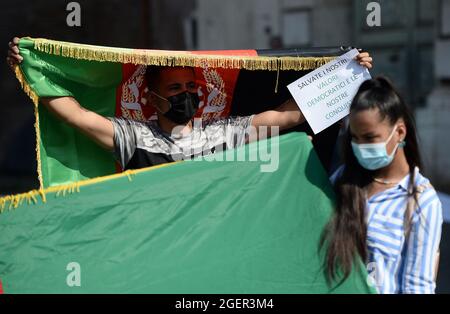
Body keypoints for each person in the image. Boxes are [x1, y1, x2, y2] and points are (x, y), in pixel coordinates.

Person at [7, 37, 373, 170]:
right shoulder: (133, 137)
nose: (186, 93)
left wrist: (345, 76)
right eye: (175, 87)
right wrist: (34, 68)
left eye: (190, 85)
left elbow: (286, 115)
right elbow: (77, 116)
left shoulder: (223, 133)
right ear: (150, 97)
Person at [323, 76, 443, 294]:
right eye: (355, 138)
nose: (360, 146)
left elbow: (418, 286)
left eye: (370, 138)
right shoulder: (342, 181)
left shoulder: (421, 201)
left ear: (399, 132)